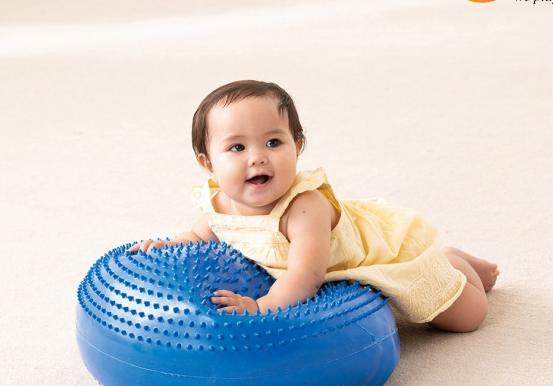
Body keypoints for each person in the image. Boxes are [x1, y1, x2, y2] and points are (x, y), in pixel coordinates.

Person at [130, 80, 499, 332]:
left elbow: (306, 275)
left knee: (467, 318)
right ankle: (452, 260)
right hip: (339, 259)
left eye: (273, 142)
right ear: (208, 164)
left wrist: (261, 307)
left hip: (382, 253)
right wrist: (171, 247)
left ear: (297, 146)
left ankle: (454, 262)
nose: (257, 157)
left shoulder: (305, 207)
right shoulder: (220, 204)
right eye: (237, 147)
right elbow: (199, 235)